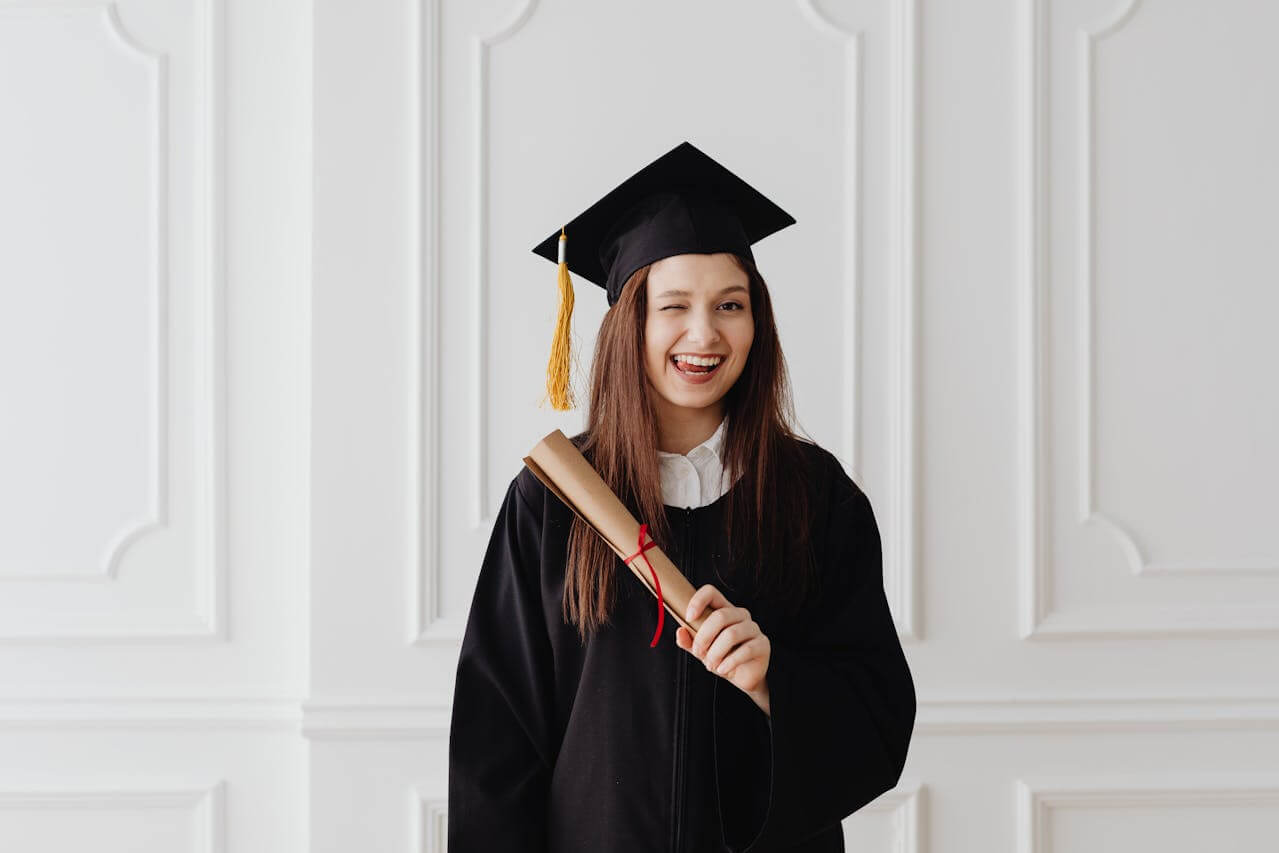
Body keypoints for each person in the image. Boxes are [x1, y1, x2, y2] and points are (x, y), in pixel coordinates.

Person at [447, 140, 916, 852]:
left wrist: (771, 682)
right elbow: (497, 744)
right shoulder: (554, 503)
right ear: (628, 322)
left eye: (730, 303)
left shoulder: (815, 498)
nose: (704, 333)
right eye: (673, 306)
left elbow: (876, 716)